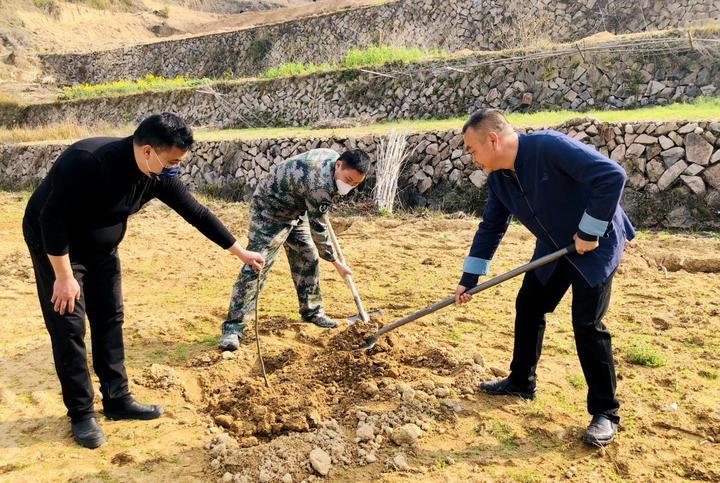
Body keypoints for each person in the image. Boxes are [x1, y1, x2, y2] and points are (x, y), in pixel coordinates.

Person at [22, 113, 265, 449]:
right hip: (56, 246)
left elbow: (196, 212)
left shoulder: (158, 174)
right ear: (148, 151)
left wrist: (240, 251)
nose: (175, 169)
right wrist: (63, 277)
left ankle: (117, 400)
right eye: (172, 161)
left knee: (110, 317)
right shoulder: (87, 162)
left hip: (103, 247)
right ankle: (80, 413)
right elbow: (51, 219)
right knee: (68, 324)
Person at [454, 109, 635, 446]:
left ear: (492, 140)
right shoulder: (499, 179)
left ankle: (605, 413)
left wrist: (590, 230)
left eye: (472, 150)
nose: (472, 158)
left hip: (595, 245)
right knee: (529, 304)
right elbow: (492, 227)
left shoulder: (547, 147)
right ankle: (521, 382)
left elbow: (612, 176)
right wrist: (470, 278)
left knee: (586, 324)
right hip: (554, 246)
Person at [219, 148, 369, 351]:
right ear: (339, 165)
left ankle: (312, 311)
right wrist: (336, 262)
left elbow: (316, 210)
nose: (349, 186)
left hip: (297, 208)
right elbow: (319, 229)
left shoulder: (332, 158)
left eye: (356, 184)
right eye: (348, 179)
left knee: (307, 257)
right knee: (257, 264)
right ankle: (233, 328)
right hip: (269, 209)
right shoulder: (320, 186)